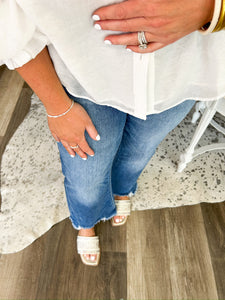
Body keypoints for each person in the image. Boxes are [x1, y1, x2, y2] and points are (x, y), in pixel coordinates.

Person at [1, 0, 225, 266]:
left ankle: (122, 190)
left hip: (183, 72)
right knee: (85, 175)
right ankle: (86, 220)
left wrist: (212, 9)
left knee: (139, 152)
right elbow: (9, 21)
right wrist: (57, 106)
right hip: (87, 77)